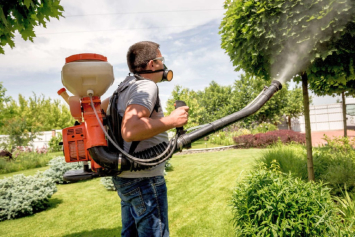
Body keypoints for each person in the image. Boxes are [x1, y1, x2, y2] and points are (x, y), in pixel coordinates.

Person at [111, 41, 189, 237]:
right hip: (144, 181)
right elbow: (131, 129)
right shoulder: (146, 86)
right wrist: (172, 120)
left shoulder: (123, 87)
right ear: (153, 64)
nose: (165, 65)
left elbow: (97, 110)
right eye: (162, 60)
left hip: (126, 179)